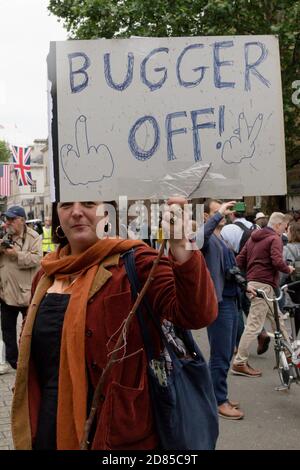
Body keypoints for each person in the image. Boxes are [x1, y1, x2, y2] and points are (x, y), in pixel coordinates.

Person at [11, 199, 218, 450]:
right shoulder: (46, 274)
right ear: (57, 215)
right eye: (66, 205)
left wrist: (183, 248)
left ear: (107, 213)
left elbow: (197, 314)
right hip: (50, 423)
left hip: (118, 432)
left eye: (88, 203)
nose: (76, 212)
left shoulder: (137, 262)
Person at [200, 199, 256, 420]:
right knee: (221, 356)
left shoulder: (220, 238)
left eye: (222, 211)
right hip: (219, 303)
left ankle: (217, 395)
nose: (222, 214)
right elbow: (197, 240)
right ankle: (218, 400)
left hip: (231, 299)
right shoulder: (205, 238)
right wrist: (216, 216)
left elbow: (230, 269)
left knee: (226, 353)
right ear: (206, 216)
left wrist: (245, 285)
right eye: (216, 212)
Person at [232, 212, 295, 377]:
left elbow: (239, 260)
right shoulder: (275, 238)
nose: (284, 230)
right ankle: (239, 362)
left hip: (254, 282)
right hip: (264, 284)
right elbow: (277, 261)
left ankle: (290, 355)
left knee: (277, 319)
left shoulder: (253, 237)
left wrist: (245, 278)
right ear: (277, 225)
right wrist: (288, 269)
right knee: (254, 324)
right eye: (284, 227)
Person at [0, 206, 42, 375]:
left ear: (22, 220)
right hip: (5, 293)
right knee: (7, 330)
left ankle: (30, 359)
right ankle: (13, 361)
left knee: (29, 330)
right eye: (7, 219)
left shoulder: (34, 237)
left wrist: (16, 254)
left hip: (26, 294)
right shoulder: (4, 235)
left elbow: (37, 259)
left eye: (11, 219)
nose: (8, 223)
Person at [281, 221, 300, 335]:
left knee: (296, 309)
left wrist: (280, 285)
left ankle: (293, 339)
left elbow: (283, 270)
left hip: (293, 284)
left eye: (287, 231)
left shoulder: (286, 249)